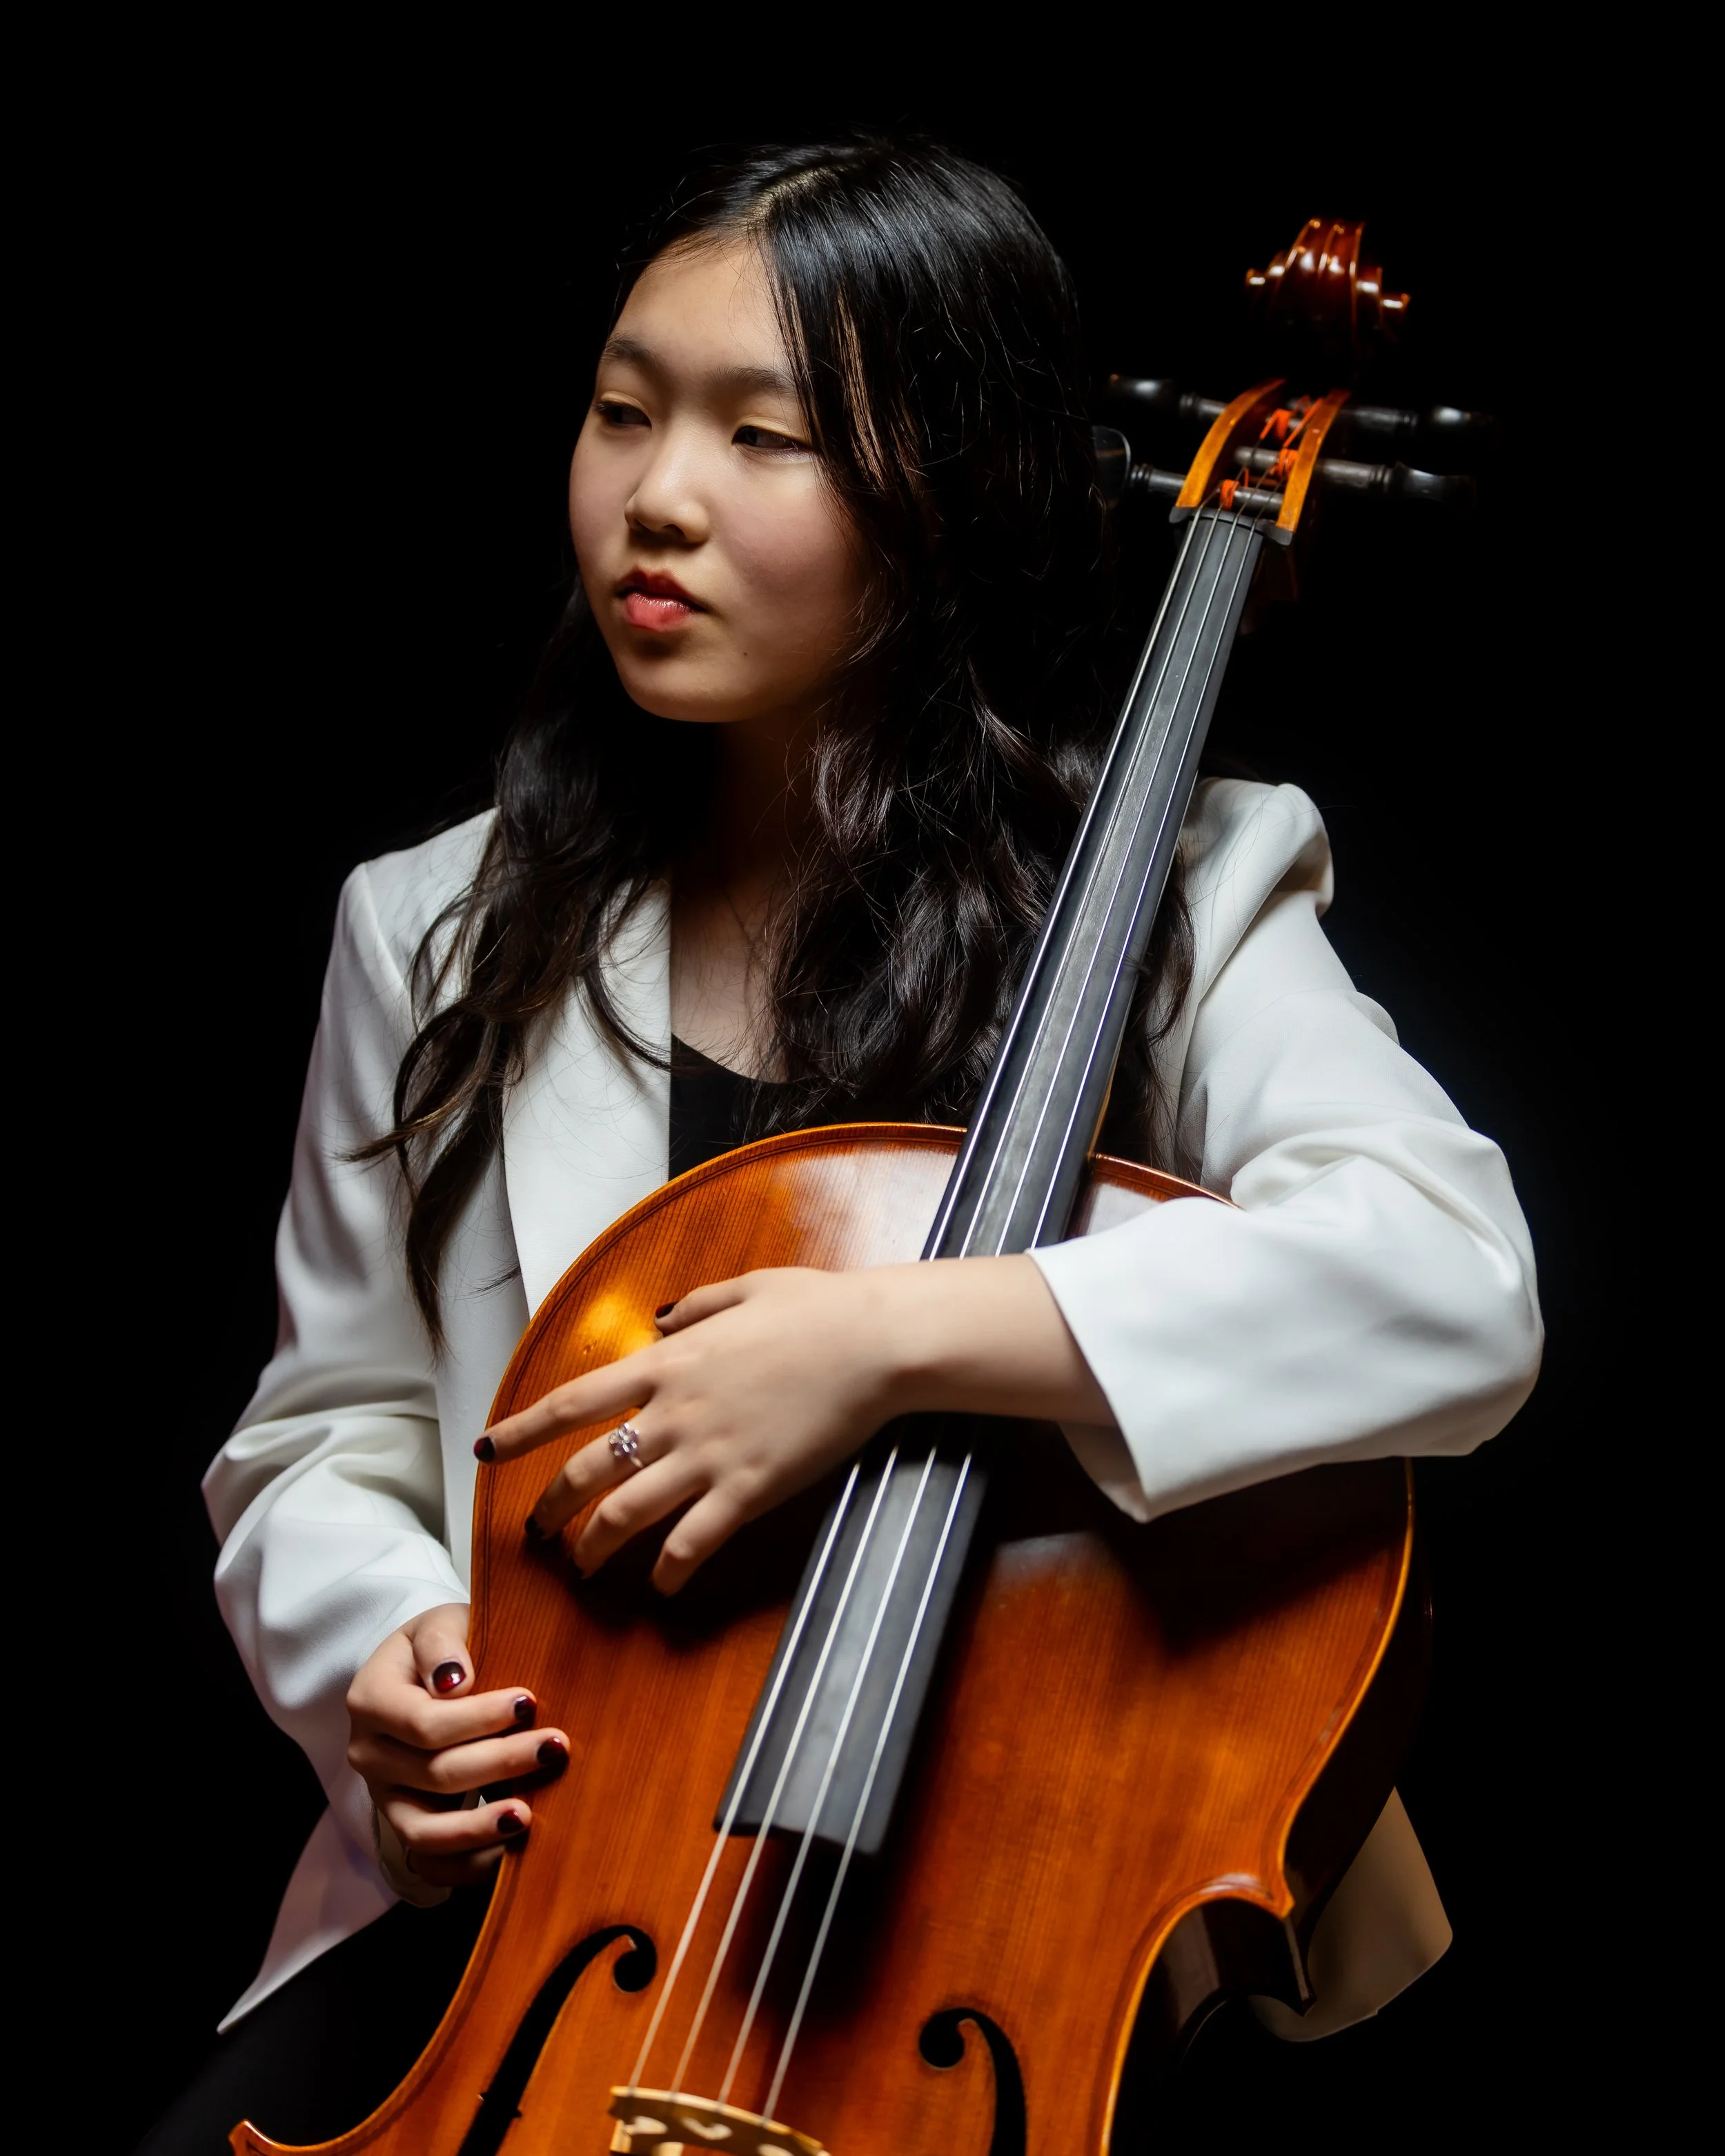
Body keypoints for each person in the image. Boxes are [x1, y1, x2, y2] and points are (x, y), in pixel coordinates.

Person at [141, 137, 1541, 2151]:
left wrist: (884, 1341)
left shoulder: (1178, 887)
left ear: (947, 492)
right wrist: (388, 1648)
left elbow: (1451, 1280)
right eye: (623, 411)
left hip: (1058, 1900)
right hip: (574, 1872)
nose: (658, 495)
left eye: (762, 436)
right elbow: (325, 1429)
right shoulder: (432, 924)